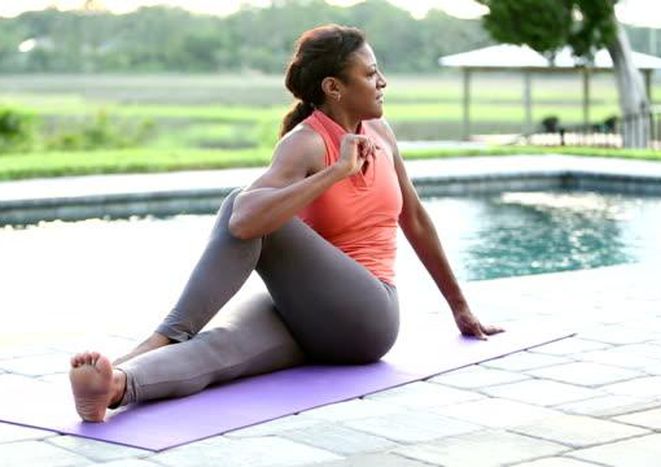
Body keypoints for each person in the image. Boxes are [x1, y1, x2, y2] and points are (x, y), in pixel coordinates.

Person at [69, 24, 503, 423]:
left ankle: (163, 336)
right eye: (371, 74)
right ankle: (118, 387)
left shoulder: (381, 133)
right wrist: (336, 171)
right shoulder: (305, 144)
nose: (382, 82)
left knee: (245, 206)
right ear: (334, 88)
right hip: (311, 316)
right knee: (221, 348)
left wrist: (460, 307)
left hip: (368, 318)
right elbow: (244, 222)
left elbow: (416, 220)